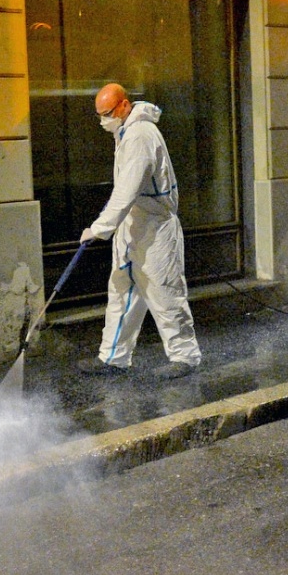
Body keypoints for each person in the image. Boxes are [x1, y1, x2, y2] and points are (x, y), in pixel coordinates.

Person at [75, 82, 202, 381]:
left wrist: (99, 228)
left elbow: (127, 189)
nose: (103, 120)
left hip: (155, 226)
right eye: (99, 115)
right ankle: (113, 357)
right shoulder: (125, 133)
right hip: (134, 223)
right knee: (123, 289)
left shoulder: (140, 136)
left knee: (163, 289)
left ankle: (185, 356)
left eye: (107, 113)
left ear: (123, 105)